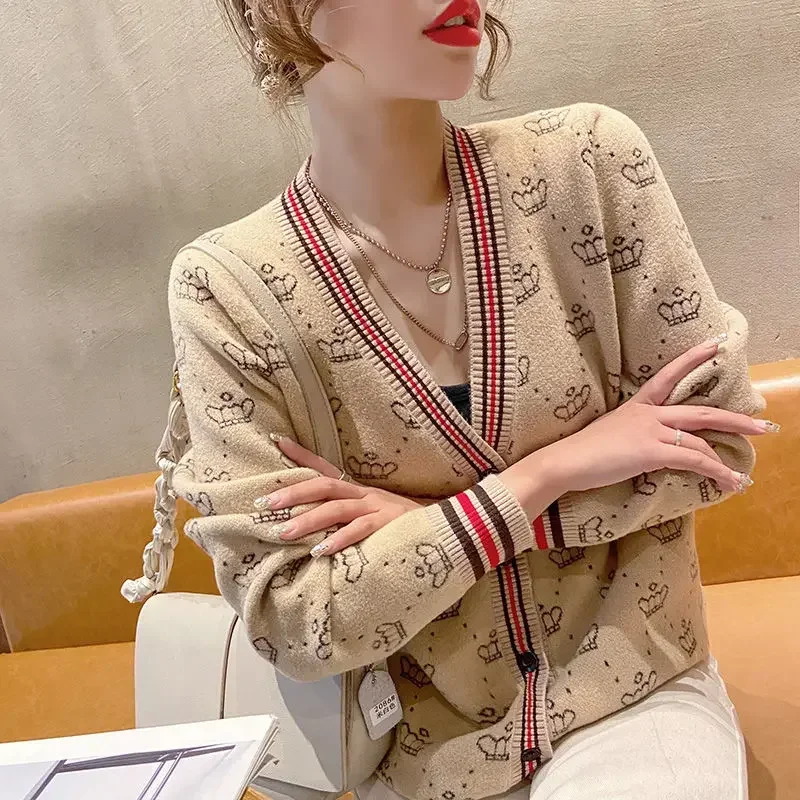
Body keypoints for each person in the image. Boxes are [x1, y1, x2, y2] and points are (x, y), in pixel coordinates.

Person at [161, 1, 779, 797]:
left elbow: (716, 443)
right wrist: (534, 482)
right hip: (419, 757)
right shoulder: (228, 290)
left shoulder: (586, 165)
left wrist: (422, 527)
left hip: (632, 697)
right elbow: (294, 619)